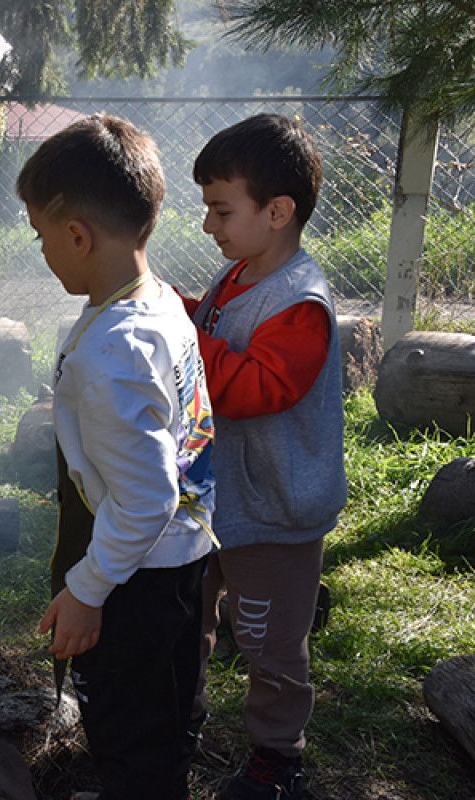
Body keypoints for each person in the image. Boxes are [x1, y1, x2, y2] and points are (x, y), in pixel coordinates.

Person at [20, 113, 217, 800]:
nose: (42, 250)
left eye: (42, 235)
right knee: (165, 716)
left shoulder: (115, 354)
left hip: (138, 578)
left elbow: (145, 499)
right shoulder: (158, 301)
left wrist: (87, 589)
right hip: (180, 558)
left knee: (130, 733)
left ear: (78, 236)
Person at [182, 113, 347, 800]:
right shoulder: (237, 275)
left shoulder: (300, 303)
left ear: (277, 212)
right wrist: (175, 308)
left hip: (275, 513)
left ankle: (278, 758)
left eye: (222, 210)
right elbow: (213, 331)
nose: (208, 226)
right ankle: (180, 717)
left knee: (268, 642)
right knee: (189, 615)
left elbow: (258, 387)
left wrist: (186, 339)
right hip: (219, 500)